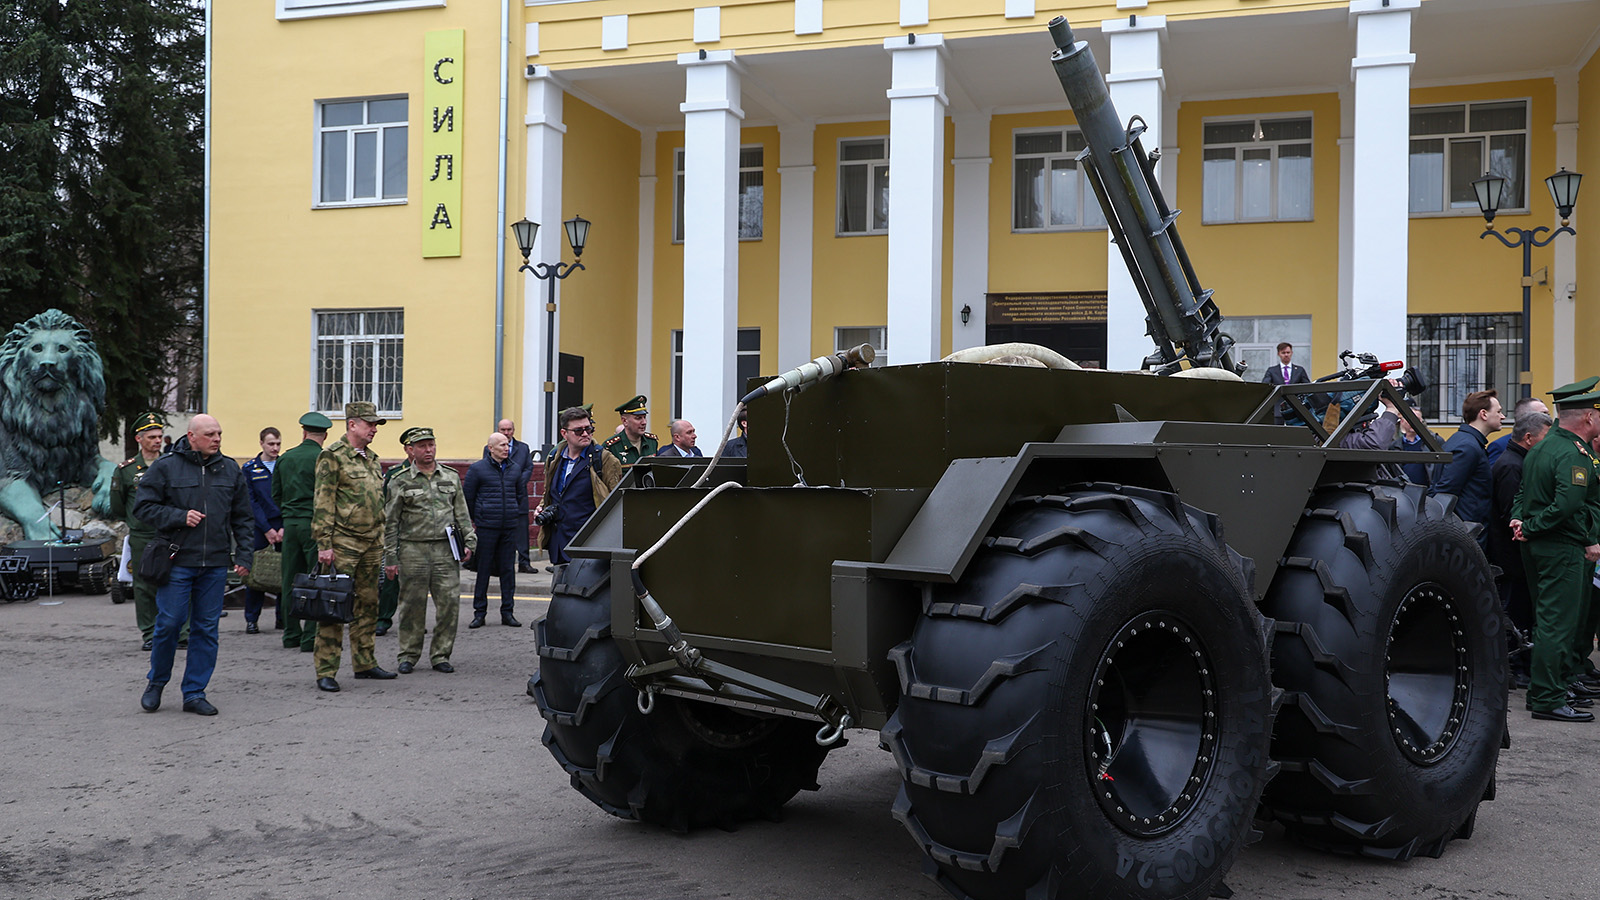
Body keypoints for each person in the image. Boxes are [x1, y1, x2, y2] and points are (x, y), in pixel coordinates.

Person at [133, 414, 254, 716]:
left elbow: (243, 517)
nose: (217, 439)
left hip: (214, 564)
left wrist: (244, 556)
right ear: (192, 436)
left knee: (206, 629)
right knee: (170, 623)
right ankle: (157, 682)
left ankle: (194, 692)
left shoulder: (230, 470)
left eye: (219, 433)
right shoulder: (166, 467)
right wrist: (178, 516)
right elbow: (143, 508)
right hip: (177, 561)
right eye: (211, 434)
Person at [1509, 382, 1600, 722]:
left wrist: (1521, 520)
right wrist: (1530, 526)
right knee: (1558, 625)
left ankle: (1549, 691)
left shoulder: (1541, 449)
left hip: (1541, 545)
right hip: (1561, 546)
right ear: (1588, 417)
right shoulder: (1571, 454)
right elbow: (1568, 505)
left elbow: (1523, 493)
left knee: (1549, 621)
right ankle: (1549, 697)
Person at [310, 402, 396, 692]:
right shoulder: (332, 456)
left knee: (368, 605)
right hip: (343, 543)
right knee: (334, 607)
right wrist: (324, 543)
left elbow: (377, 502)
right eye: (369, 424)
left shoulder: (371, 458)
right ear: (352, 424)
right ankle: (326, 669)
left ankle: (364, 662)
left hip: (371, 543)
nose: (374, 429)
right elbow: (323, 502)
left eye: (375, 425)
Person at [384, 427, 476, 674]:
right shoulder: (399, 480)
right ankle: (408, 654)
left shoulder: (450, 476)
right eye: (422, 446)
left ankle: (441, 654)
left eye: (431, 444)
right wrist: (390, 557)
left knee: (449, 604)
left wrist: (469, 541)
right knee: (411, 606)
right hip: (413, 550)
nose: (428, 450)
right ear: (410, 450)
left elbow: (461, 513)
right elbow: (391, 522)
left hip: (445, 551)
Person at [110, 412, 185, 652]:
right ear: (139, 439)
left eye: (160, 436)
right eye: (151, 437)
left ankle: (182, 632)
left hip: (171, 532)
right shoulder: (126, 470)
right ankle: (150, 633)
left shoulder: (173, 464)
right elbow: (119, 506)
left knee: (179, 581)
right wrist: (136, 521)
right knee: (144, 585)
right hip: (143, 534)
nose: (157, 441)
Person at [1489, 409, 1552, 688]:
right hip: (1511, 554)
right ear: (1528, 438)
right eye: (1544, 438)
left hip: (1514, 552)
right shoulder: (1512, 465)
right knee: (1514, 611)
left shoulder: (1520, 459)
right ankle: (1514, 667)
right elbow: (1510, 513)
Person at [272, 412, 332, 653]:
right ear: (325, 435)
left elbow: (276, 493)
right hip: (315, 524)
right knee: (314, 578)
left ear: (303, 432)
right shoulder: (324, 458)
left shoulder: (286, 458)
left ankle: (290, 633)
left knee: (290, 579)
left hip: (291, 523)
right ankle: (310, 637)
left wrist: (289, 513)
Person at [535, 407, 623, 568]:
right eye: (578, 430)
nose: (585, 434)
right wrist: (542, 507)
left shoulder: (604, 459)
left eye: (589, 429)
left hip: (588, 544)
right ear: (564, 433)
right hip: (559, 542)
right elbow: (550, 492)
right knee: (560, 591)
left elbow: (616, 504)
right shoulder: (555, 457)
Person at [1429, 389, 1503, 546]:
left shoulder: (1465, 442)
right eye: (1499, 411)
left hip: (1465, 533)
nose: (1502, 416)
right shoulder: (1468, 447)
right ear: (1483, 414)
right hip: (1466, 536)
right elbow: (1445, 493)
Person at [464, 432, 522, 628]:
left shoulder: (515, 468)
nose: (506, 448)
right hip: (487, 527)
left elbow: (520, 496)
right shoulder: (477, 469)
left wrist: (513, 514)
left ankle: (508, 612)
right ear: (491, 448)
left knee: (508, 571)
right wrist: (478, 518)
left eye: (508, 445)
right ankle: (479, 613)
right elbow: (468, 498)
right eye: (502, 445)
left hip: (508, 527)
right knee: (483, 570)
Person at [239, 426, 284, 635]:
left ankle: (283, 618)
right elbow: (250, 501)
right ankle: (251, 619)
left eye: (278, 444)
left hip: (284, 525)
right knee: (255, 575)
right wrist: (266, 529)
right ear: (261, 444)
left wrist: (283, 527)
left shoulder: (285, 465)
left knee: (285, 572)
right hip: (260, 527)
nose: (275, 448)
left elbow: (290, 497)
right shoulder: (250, 468)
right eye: (271, 444)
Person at [490, 419, 537, 574]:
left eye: (509, 429)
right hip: (499, 497)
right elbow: (489, 466)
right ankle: (498, 564)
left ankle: (524, 562)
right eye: (503, 429)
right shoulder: (489, 448)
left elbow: (528, 467)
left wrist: (516, 482)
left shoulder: (523, 448)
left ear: (514, 430)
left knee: (522, 531)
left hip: (519, 496)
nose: (506, 433)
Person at [374, 452, 411, 637]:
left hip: (421, 533)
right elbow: (385, 503)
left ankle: (413, 620)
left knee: (416, 581)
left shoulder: (432, 472)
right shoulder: (395, 473)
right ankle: (383, 619)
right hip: (397, 532)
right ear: (408, 449)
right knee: (391, 578)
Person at [1259, 342, 1327, 425]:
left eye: (1288, 352)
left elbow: (1308, 387)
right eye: (1283, 353)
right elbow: (1266, 386)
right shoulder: (1272, 370)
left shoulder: (1299, 370)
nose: (1286, 355)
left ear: (1292, 353)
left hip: (1296, 408)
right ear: (1278, 354)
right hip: (1277, 409)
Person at [1486, 396, 1551, 467]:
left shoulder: (1544, 443)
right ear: (1525, 417)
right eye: (1543, 414)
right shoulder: (1500, 446)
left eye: (1548, 414)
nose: (1547, 417)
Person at [600, 395, 659, 466]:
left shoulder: (652, 442)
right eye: (638, 418)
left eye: (644, 417)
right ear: (625, 421)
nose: (644, 422)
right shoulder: (612, 447)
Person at [1397, 401, 1433, 487]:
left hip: (1428, 493)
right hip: (1403, 493)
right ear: (1402, 421)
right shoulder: (1395, 446)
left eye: (1417, 420)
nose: (1413, 423)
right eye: (1410, 419)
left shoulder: (1433, 442)